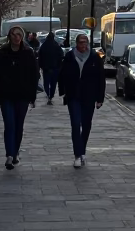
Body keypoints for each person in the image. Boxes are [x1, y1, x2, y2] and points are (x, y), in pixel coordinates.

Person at [0, 25, 39, 169]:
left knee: (18, 125)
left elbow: (34, 75)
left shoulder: (28, 53)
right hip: (6, 95)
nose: (16, 37)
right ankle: (9, 155)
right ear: (9, 36)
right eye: (13, 34)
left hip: (22, 96)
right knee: (9, 124)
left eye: (19, 34)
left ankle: (15, 151)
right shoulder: (2, 53)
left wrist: (32, 96)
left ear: (22, 37)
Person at [58, 31, 106, 169]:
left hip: (89, 96)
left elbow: (100, 78)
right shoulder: (70, 56)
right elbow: (62, 74)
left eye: (85, 42)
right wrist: (63, 91)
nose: (83, 45)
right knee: (75, 124)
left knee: (86, 124)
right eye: (81, 42)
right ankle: (78, 155)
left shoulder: (94, 57)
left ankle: (82, 149)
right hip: (73, 95)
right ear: (76, 43)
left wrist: (100, 98)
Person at [38, 31, 64, 105]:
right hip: (55, 68)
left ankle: (48, 94)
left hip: (46, 68)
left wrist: (41, 66)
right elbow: (61, 55)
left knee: (46, 83)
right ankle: (51, 96)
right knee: (53, 83)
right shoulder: (56, 45)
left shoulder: (43, 46)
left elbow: (40, 57)